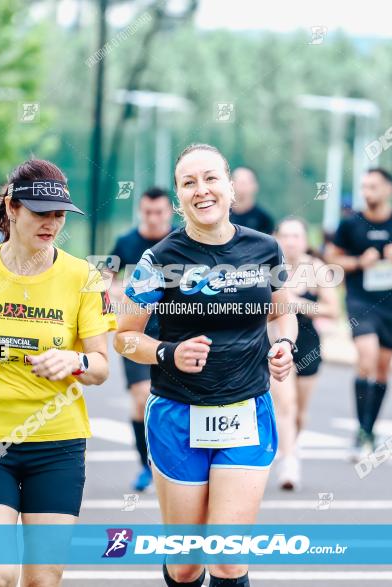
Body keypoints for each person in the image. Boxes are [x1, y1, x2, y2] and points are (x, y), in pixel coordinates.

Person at [115, 144, 297, 587]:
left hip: (246, 411)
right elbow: (124, 337)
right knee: (186, 564)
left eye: (211, 178)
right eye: (189, 182)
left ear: (230, 187)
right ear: (179, 198)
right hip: (179, 414)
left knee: (229, 559)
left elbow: (283, 311)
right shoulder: (158, 260)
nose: (202, 190)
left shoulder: (266, 249)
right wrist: (166, 353)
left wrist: (286, 344)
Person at [0, 158, 112, 587]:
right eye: (40, 213)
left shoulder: (83, 277)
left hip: (57, 444)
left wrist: (76, 362)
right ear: (12, 208)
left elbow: (100, 366)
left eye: (59, 215)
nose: (51, 224)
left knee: (42, 579)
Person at [325, 168, 392, 461]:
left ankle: (369, 428)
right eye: (364, 187)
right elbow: (331, 259)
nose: (368, 192)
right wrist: (358, 262)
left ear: (388, 190)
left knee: (381, 367)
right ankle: (361, 430)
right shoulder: (350, 225)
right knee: (365, 357)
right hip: (359, 301)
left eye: (374, 187)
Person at [108, 186, 174, 492]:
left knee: (173, 401)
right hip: (137, 332)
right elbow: (104, 281)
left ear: (170, 212)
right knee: (141, 398)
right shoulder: (126, 242)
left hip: (176, 333)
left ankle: (174, 462)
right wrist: (117, 294)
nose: (153, 218)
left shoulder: (180, 242)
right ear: (140, 212)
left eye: (159, 212)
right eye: (147, 212)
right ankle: (148, 465)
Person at [271, 216, 339, 490]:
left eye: (296, 236)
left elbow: (332, 310)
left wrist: (298, 304)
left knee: (300, 412)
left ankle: (290, 447)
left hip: (309, 346)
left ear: (305, 240)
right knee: (285, 405)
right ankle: (289, 464)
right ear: (276, 238)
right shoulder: (268, 268)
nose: (290, 241)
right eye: (285, 236)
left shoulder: (318, 268)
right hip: (277, 344)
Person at [229, 166, 275, 234]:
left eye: (245, 182)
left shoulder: (264, 219)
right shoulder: (221, 215)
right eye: (238, 182)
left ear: (255, 186)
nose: (242, 187)